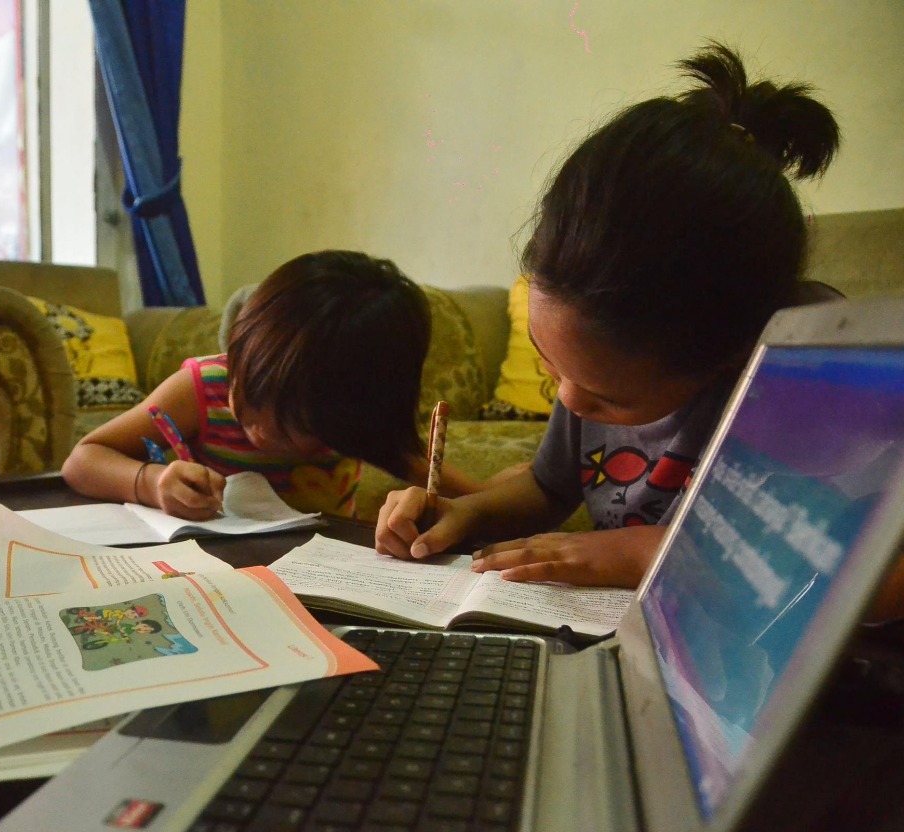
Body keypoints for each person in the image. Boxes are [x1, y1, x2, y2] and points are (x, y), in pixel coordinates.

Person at [376, 42, 842, 589]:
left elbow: (873, 571)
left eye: (610, 399)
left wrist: (658, 553)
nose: (570, 401)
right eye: (551, 365)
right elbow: (550, 488)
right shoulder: (594, 358)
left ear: (733, 352)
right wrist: (468, 512)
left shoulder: (807, 367)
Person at [63, 250, 479, 520]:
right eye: (246, 394)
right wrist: (152, 483)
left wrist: (464, 503)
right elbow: (82, 460)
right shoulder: (203, 388)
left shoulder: (354, 425)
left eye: (287, 427)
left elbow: (464, 495)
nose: (257, 430)